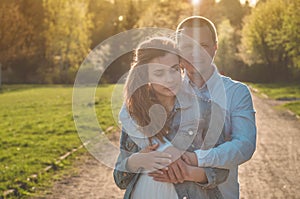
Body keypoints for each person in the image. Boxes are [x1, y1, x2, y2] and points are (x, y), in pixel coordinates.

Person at [149, 16, 257, 199]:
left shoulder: (236, 93)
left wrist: (197, 158)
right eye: (187, 46)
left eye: (203, 46)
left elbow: (244, 146)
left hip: (221, 194)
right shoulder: (166, 90)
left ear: (216, 47)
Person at [113, 37, 229, 199]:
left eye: (175, 69)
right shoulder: (134, 113)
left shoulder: (206, 110)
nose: (170, 79)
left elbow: (221, 170)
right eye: (159, 73)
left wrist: (189, 173)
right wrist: (137, 161)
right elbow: (120, 179)